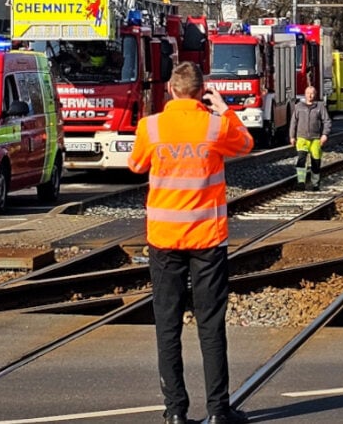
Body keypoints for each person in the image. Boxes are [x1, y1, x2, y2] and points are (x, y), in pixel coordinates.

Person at [128, 61, 254, 424]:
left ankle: (176, 412)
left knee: (167, 325)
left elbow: (136, 165)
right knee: (210, 324)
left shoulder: (150, 127)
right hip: (207, 239)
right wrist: (226, 109)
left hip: (164, 239)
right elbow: (246, 143)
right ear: (202, 92)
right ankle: (218, 411)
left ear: (170, 89)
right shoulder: (215, 126)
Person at [290, 86, 332, 190]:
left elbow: (327, 121)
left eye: (312, 93)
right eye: (308, 93)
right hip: (302, 138)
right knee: (301, 159)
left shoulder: (320, 107)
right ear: (305, 94)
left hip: (316, 139)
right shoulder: (298, 106)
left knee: (316, 161)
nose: (310, 95)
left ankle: (315, 183)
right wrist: (292, 136)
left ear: (315, 94)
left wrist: (325, 134)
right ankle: (301, 182)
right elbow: (293, 122)